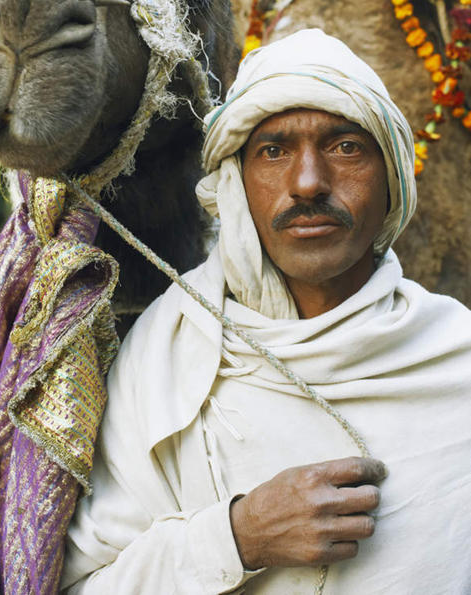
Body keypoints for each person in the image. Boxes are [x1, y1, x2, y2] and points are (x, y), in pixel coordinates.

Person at [61, 29, 471, 594]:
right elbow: (85, 585)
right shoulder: (164, 358)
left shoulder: (458, 354)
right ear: (235, 185)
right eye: (274, 151)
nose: (308, 183)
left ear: (392, 181)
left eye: (345, 146)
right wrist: (236, 538)